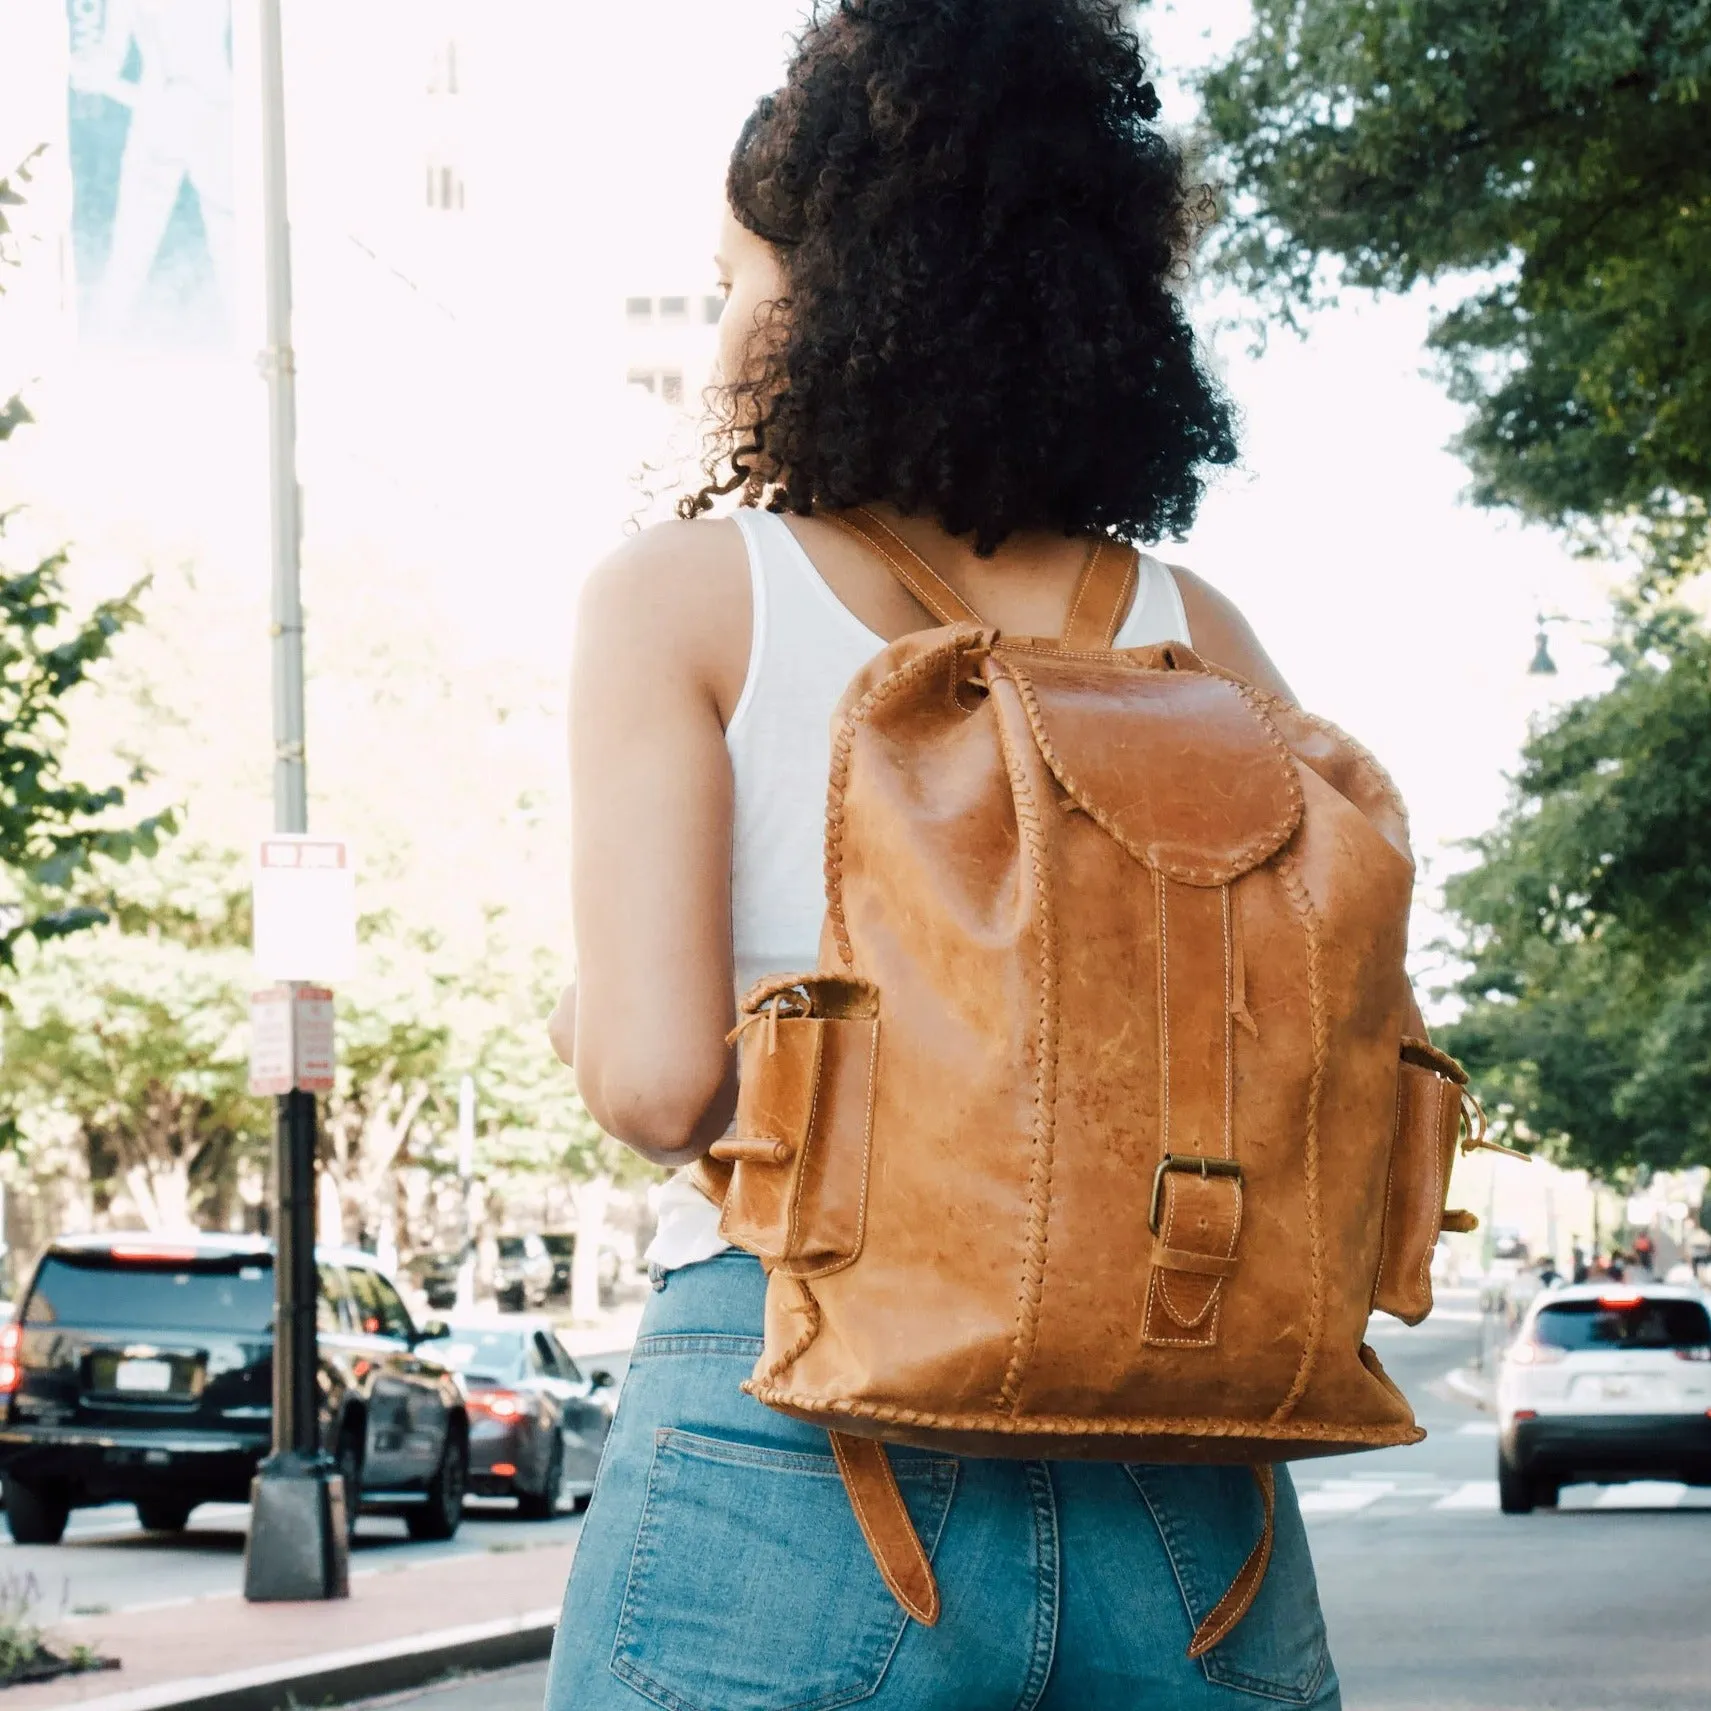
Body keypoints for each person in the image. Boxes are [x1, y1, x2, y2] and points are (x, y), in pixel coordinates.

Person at [545, 3, 1347, 1705]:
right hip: (1175, 1440)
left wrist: (611, 1017)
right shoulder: (1200, 637)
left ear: (837, 301)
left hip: (793, 1411)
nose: (723, 331)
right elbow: (1311, 1051)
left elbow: (654, 1083)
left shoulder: (687, 598)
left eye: (740, 283)